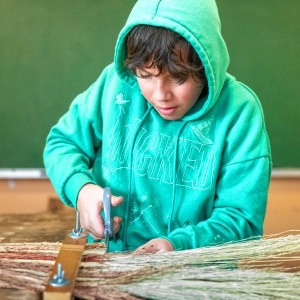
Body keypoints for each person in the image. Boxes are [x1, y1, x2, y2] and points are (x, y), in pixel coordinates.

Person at [43, 0, 272, 254]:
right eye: (145, 75)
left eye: (179, 77)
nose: (161, 94)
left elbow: (242, 218)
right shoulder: (112, 86)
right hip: (108, 262)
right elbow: (62, 143)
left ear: (206, 66)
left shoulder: (240, 112)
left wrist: (179, 245)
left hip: (196, 276)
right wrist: (81, 191)